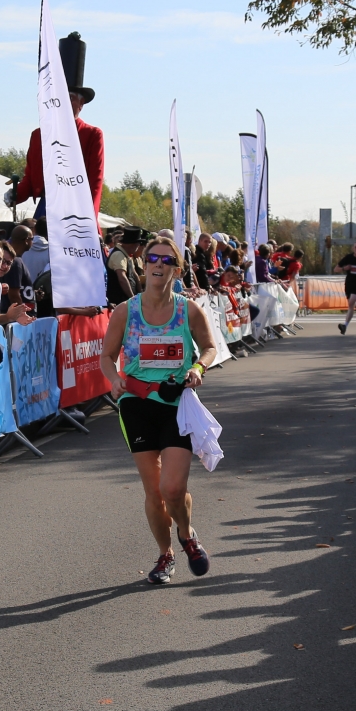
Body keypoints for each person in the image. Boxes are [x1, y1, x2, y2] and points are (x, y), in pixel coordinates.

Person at [98, 236, 221, 585]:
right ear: (144, 264)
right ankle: (166, 554)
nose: (158, 264)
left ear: (176, 270)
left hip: (175, 404)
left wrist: (197, 367)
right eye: (153, 258)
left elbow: (210, 347)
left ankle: (186, 532)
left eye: (167, 260)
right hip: (135, 405)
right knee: (154, 491)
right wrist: (114, 379)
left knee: (173, 487)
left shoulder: (188, 310)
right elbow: (107, 356)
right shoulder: (126, 311)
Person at [12, 33, 105, 219]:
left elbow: (95, 183)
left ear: (81, 103)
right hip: (46, 209)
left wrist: (88, 219)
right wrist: (15, 194)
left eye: (70, 97)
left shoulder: (92, 135)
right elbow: (31, 180)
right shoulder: (38, 136)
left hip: (77, 210)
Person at [335, 241, 356, 333]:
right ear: (353, 248)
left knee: (350, 304)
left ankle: (345, 325)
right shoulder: (348, 258)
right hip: (348, 283)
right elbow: (336, 269)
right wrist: (344, 268)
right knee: (351, 304)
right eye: (355, 247)